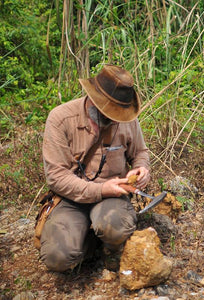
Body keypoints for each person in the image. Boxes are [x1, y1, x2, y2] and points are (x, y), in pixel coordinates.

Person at [40, 64, 150, 272]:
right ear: (92, 98)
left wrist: (141, 169)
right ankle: (88, 239)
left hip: (113, 198)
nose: (111, 118)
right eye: (107, 112)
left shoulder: (127, 120)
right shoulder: (60, 119)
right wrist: (99, 189)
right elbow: (56, 177)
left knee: (114, 228)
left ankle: (104, 238)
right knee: (57, 257)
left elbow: (140, 153)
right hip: (70, 198)